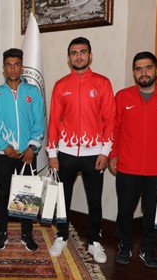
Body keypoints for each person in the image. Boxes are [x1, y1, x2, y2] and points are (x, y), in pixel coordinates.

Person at [109, 51, 157, 268]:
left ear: (156, 70)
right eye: (138, 69)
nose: (143, 72)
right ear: (133, 72)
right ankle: (124, 244)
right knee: (125, 210)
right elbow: (114, 128)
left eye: (148, 67)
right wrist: (113, 154)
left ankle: (148, 248)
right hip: (127, 166)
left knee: (153, 212)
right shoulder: (122, 97)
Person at [46, 37, 116, 264]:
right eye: (74, 53)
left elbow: (110, 119)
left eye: (83, 52)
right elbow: (54, 121)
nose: (78, 56)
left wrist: (105, 151)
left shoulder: (102, 83)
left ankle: (94, 241)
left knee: (94, 201)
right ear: (69, 58)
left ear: (90, 56)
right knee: (62, 198)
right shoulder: (60, 85)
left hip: (94, 154)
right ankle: (61, 235)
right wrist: (52, 153)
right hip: (65, 152)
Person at [0, 48, 45, 252]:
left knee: (26, 195)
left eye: (16, 64)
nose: (12, 69)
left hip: (27, 155)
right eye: (9, 65)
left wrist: (32, 147)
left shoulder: (33, 92)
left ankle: (26, 234)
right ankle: (1, 233)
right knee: (3, 195)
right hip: (5, 154)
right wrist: (4, 147)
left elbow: (39, 122)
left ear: (22, 67)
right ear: (4, 68)